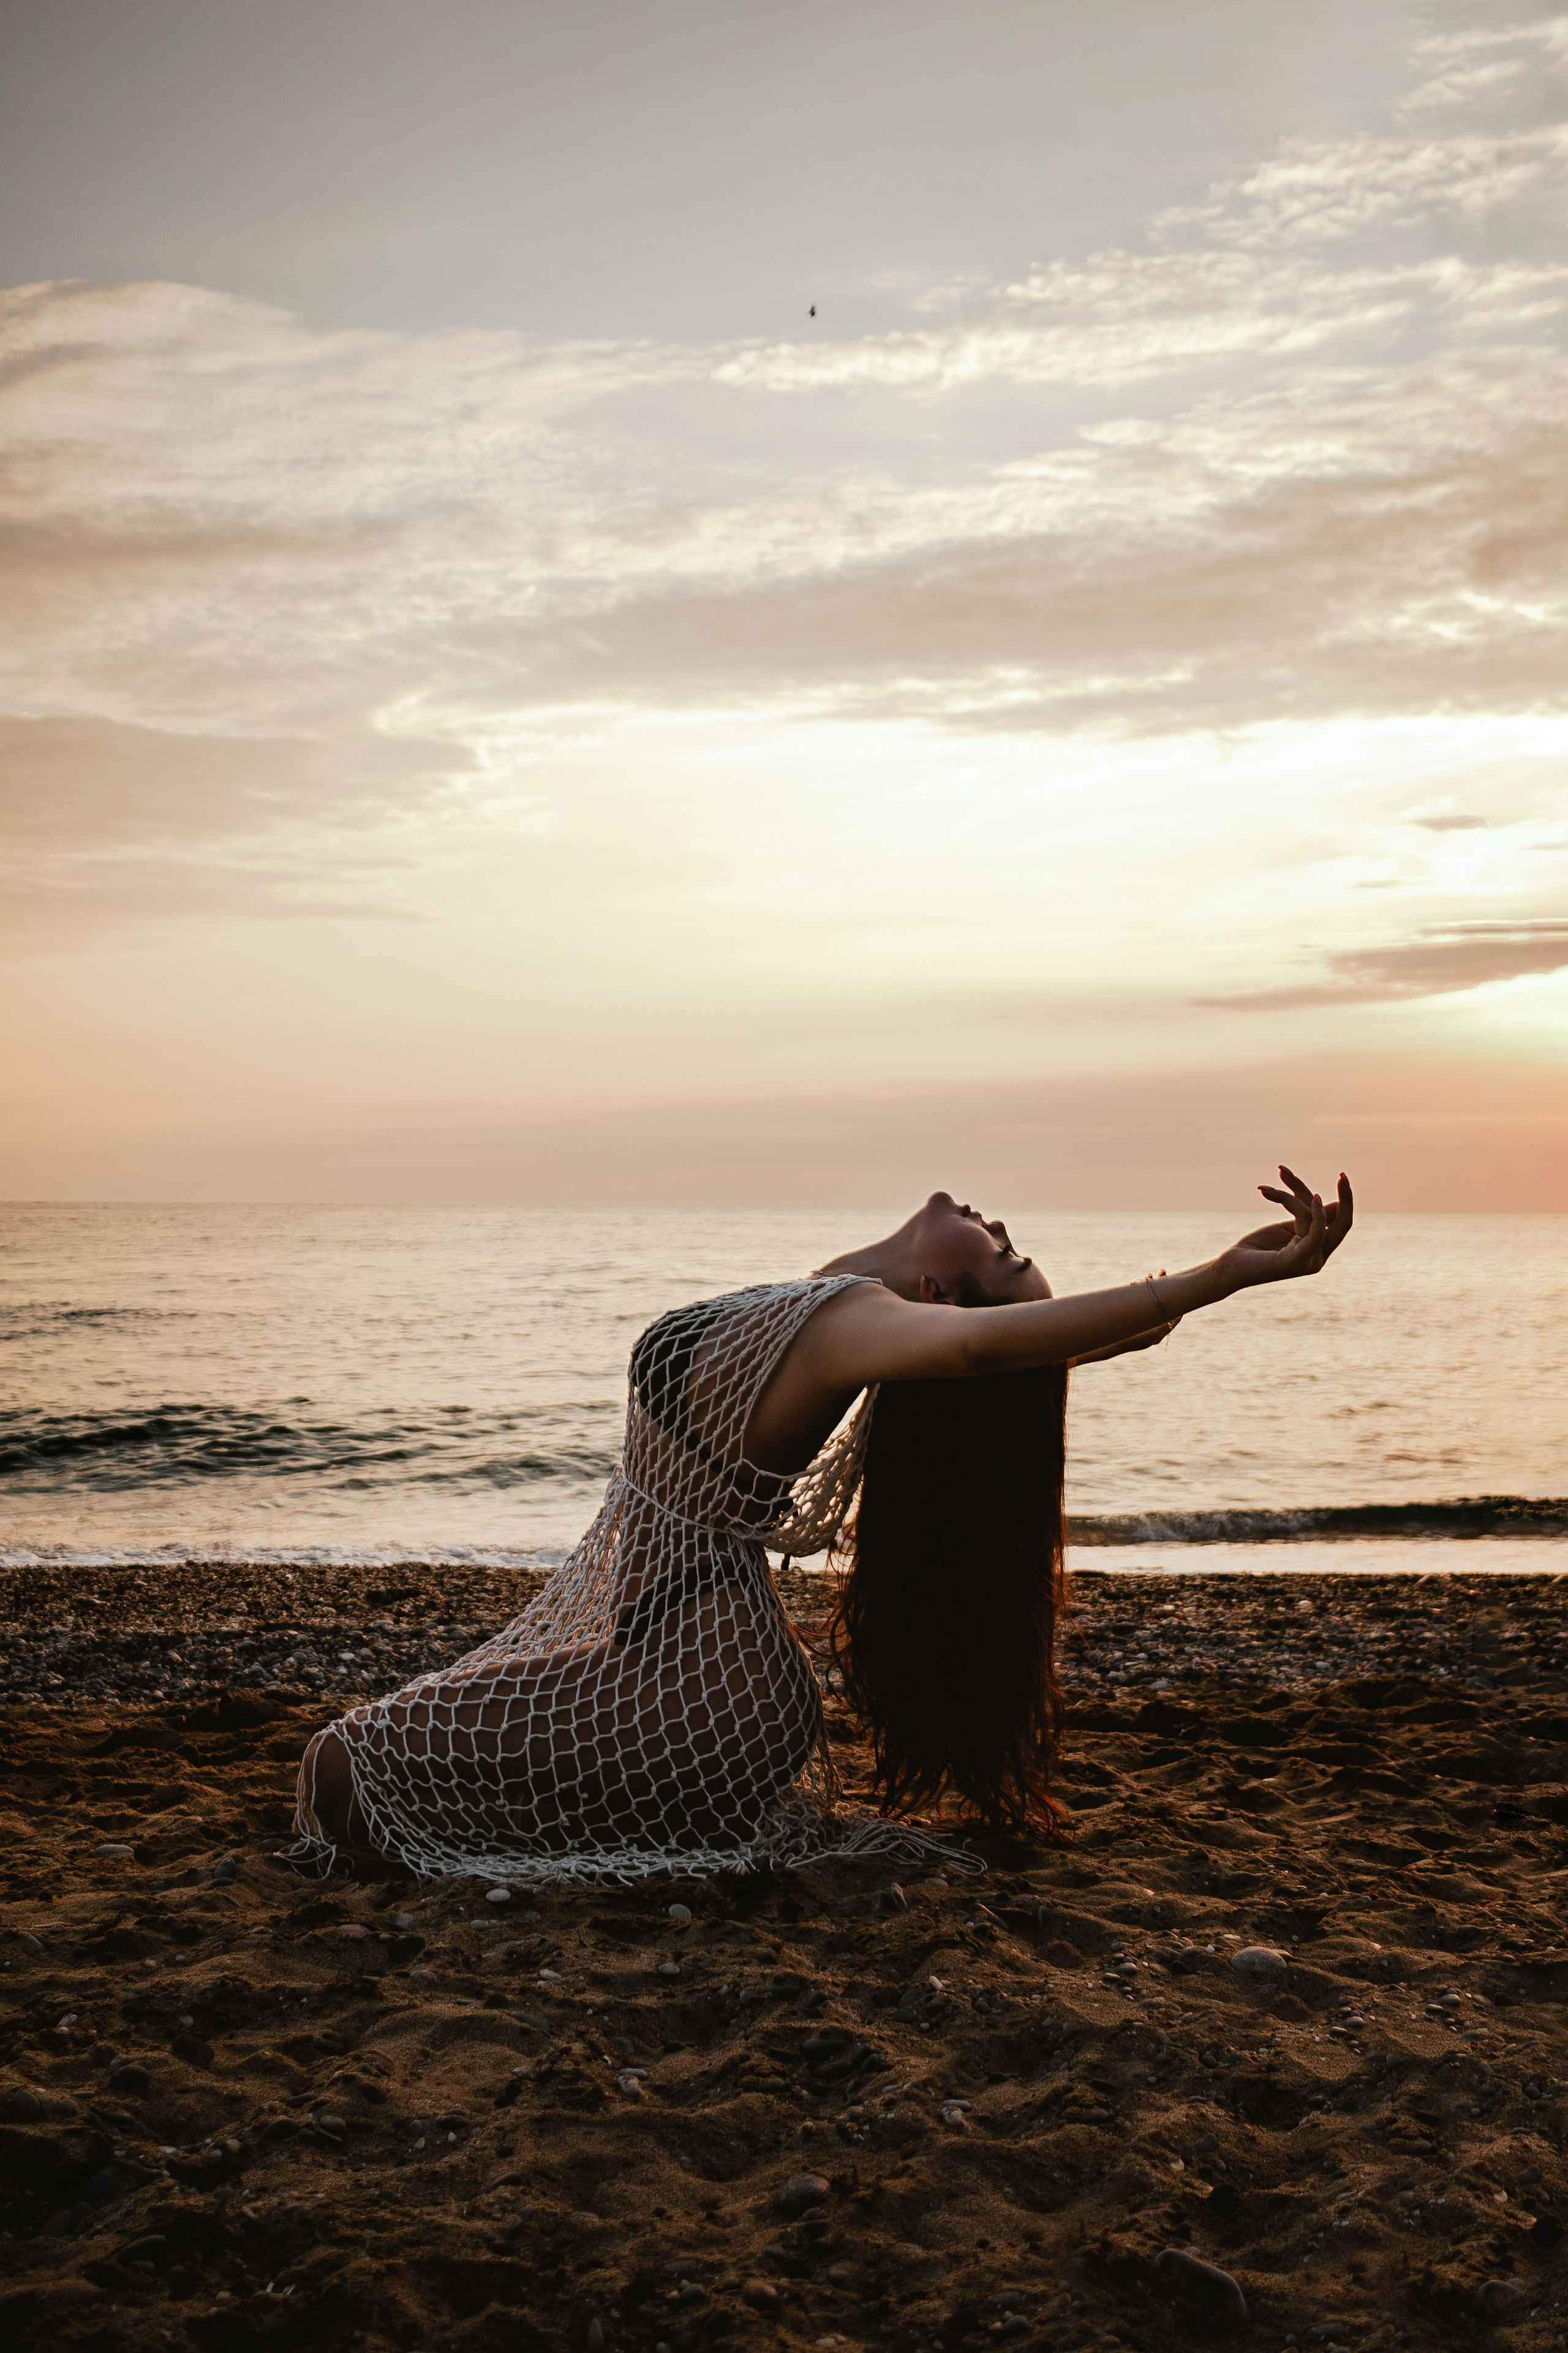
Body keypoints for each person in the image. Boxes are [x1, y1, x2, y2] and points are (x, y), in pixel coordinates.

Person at [296, 1166, 1352, 1881]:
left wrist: (1219, 1278)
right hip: (678, 1662)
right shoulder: (845, 1307)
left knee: (344, 1768)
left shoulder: (854, 1322)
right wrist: (1194, 1289)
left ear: (937, 1291)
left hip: (697, 1675)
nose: (996, 1224)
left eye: (1003, 1251)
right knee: (387, 1779)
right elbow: (1012, 1348)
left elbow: (986, 1352)